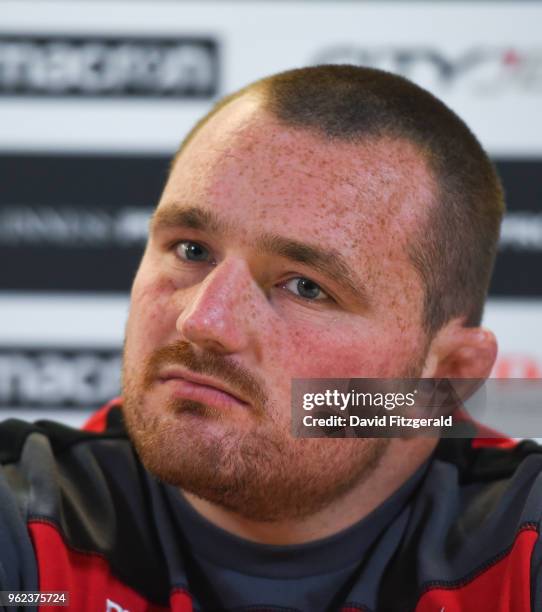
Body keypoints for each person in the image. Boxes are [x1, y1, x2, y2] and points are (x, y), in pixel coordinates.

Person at [0, 64, 540, 612]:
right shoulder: (25, 518)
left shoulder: (522, 548)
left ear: (442, 380)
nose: (204, 321)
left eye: (306, 287)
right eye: (191, 250)